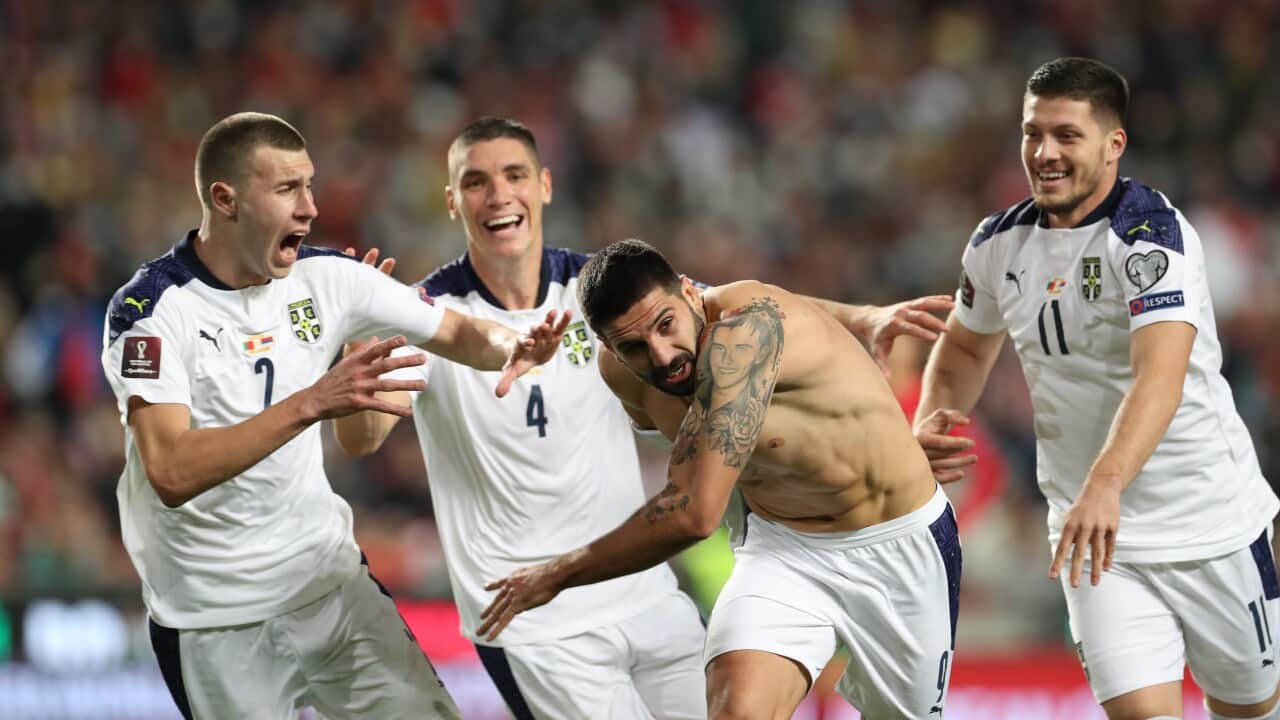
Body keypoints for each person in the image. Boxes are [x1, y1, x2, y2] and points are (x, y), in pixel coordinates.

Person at [333, 117, 956, 720]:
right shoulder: (429, 314)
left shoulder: (605, 292)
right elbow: (362, 440)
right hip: (542, 615)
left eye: (515, 174)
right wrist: (363, 344)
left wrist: (864, 319)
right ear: (452, 201)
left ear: (544, 185)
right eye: (476, 181)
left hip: (648, 591)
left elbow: (744, 307)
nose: (499, 194)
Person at [99, 112, 568, 720]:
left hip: (330, 587)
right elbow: (170, 469)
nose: (310, 208)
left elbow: (455, 330)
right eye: (287, 189)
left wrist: (518, 345)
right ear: (226, 199)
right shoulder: (150, 311)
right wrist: (313, 401)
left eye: (310, 185)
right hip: (213, 620)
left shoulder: (329, 279)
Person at [914, 57, 1280, 720]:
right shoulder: (998, 244)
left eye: (1066, 136)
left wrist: (1106, 483)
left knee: (1251, 710)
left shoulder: (1150, 238)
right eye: (1032, 134)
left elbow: (1160, 376)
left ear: (1114, 144)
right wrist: (933, 419)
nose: (1044, 153)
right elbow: (967, 344)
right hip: (1095, 540)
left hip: (1208, 521)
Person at [476, 239, 961, 720]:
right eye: (634, 347)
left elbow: (693, 513)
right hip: (784, 550)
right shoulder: (624, 374)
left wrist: (557, 575)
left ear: (690, 294)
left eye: (666, 326)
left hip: (899, 545)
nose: (662, 356)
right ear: (609, 347)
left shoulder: (742, 336)